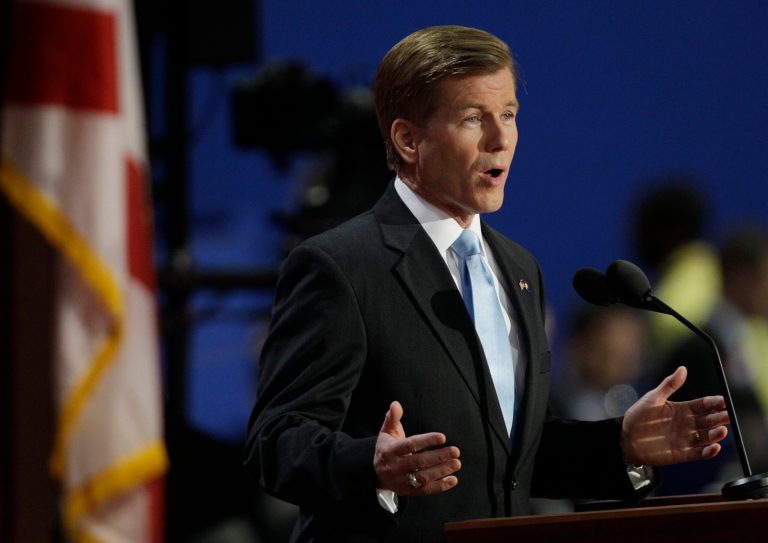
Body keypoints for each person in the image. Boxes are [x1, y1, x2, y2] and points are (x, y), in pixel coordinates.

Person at [243, 26, 729, 542]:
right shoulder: (339, 265)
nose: (501, 140)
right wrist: (371, 463)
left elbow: (513, 455)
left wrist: (621, 444)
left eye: (509, 115)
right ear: (409, 139)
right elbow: (275, 442)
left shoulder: (519, 268)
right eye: (473, 118)